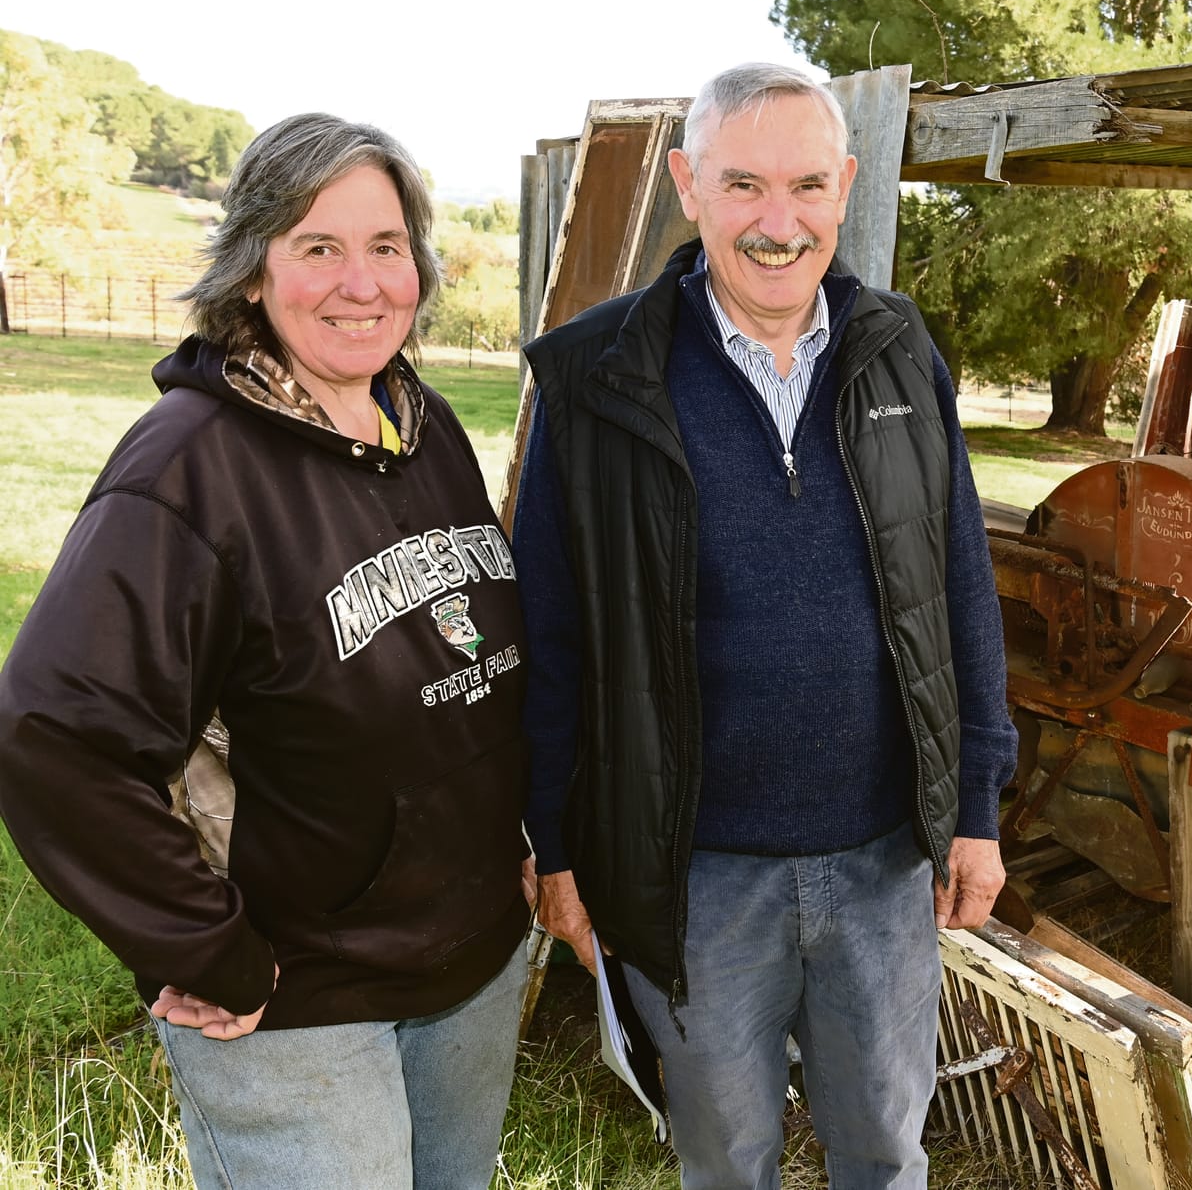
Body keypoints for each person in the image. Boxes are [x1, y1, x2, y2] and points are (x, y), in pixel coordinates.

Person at [0, 114, 534, 1189]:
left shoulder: (419, 428)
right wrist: (202, 946)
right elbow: (53, 735)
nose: (361, 281)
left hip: (468, 960)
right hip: (295, 997)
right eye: (317, 247)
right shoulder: (189, 471)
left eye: (386, 246)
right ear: (252, 271)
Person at [514, 62, 1016, 1188]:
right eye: (742, 185)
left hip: (883, 862)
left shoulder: (897, 349)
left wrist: (973, 807)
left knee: (883, 1153)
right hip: (693, 872)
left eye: (802, 186)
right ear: (689, 186)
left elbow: (958, 588)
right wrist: (553, 840)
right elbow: (548, 628)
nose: (776, 223)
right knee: (724, 1158)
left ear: (843, 187)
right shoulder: (596, 377)